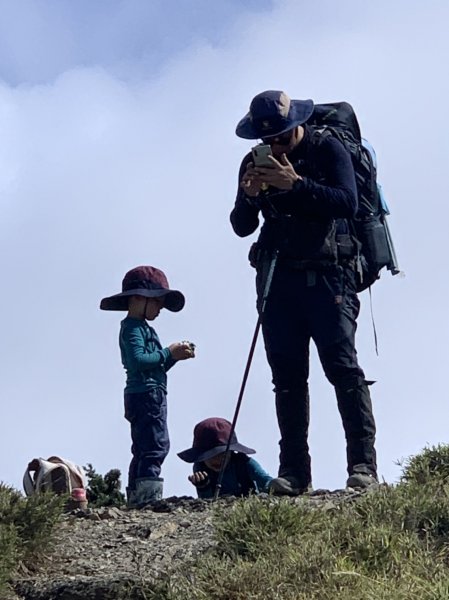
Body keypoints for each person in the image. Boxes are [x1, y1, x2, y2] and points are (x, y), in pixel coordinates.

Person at [230, 90, 378, 494]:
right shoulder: (254, 161)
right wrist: (249, 196)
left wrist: (295, 185)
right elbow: (241, 226)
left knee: (343, 369)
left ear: (296, 124)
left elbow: (346, 203)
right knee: (288, 379)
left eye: (280, 136)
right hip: (279, 281)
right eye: (266, 140)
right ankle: (294, 472)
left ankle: (363, 466)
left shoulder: (327, 148)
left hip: (330, 277)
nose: (273, 145)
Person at [100, 265, 195, 507]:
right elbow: (138, 361)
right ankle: (147, 498)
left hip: (147, 393)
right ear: (139, 299)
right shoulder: (132, 329)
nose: (160, 308)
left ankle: (138, 497)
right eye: (156, 302)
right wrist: (168, 352)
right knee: (154, 445)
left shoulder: (140, 328)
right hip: (146, 395)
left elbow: (153, 366)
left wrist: (173, 356)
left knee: (144, 446)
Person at [178, 417, 273, 498]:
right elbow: (207, 502)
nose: (217, 460)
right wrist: (203, 487)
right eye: (210, 456)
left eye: (222, 454)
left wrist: (277, 486)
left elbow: (266, 482)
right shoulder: (200, 468)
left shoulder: (245, 463)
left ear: (231, 452)